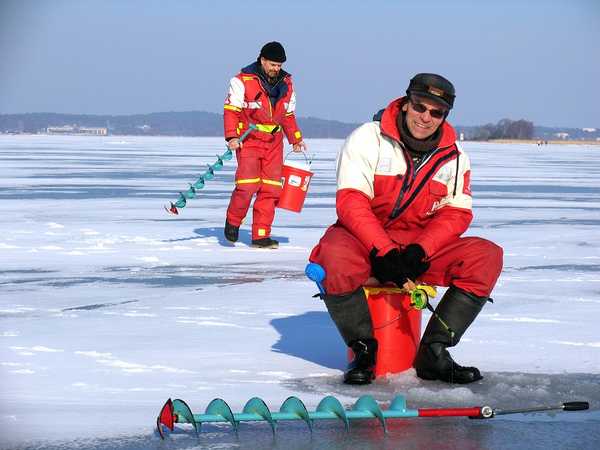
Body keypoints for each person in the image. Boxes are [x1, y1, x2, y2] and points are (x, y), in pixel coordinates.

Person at [309, 73, 503, 385]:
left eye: (436, 112)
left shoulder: (455, 157)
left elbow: (456, 214)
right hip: (361, 238)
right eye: (419, 107)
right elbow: (351, 203)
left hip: (416, 244)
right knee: (333, 256)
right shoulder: (367, 138)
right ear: (405, 104)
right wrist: (383, 251)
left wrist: (419, 251)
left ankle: (433, 352)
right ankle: (363, 350)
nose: (425, 117)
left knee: (485, 256)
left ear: (445, 116)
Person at [223, 41, 307, 249]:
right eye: (272, 64)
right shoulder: (241, 81)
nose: (275, 69)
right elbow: (231, 111)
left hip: (274, 142)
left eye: (279, 65)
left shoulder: (287, 84)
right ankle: (233, 220)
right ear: (262, 60)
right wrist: (231, 136)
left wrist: (295, 138)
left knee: (271, 190)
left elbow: (287, 114)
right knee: (248, 185)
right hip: (249, 139)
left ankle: (260, 235)